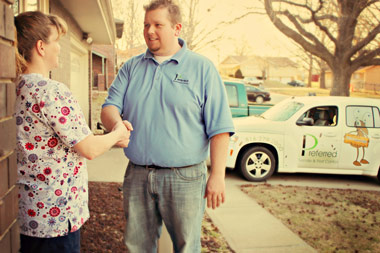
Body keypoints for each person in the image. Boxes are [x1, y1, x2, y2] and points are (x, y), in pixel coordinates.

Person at [101, 0, 234, 252]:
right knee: (137, 247)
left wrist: (218, 175)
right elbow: (109, 107)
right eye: (146, 25)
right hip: (137, 174)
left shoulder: (202, 68)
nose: (149, 31)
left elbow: (220, 128)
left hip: (184, 177)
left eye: (157, 24)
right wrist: (117, 124)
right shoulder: (131, 67)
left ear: (176, 28)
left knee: (186, 246)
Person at [14, 11, 131, 253]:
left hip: (27, 212)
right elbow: (88, 148)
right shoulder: (50, 91)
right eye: (55, 41)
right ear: (41, 47)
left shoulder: (14, 87)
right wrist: (118, 132)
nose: (59, 47)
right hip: (56, 218)